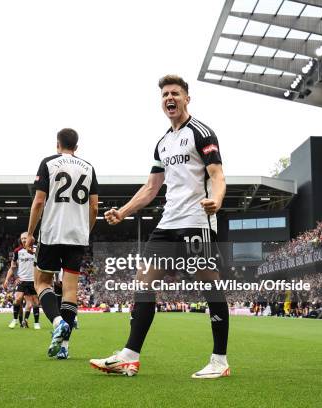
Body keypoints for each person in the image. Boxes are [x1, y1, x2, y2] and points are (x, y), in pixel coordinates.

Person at [89, 74, 229, 378]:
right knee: (143, 283)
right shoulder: (162, 143)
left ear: (187, 98)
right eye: (165, 94)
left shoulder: (202, 133)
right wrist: (124, 211)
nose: (170, 98)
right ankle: (130, 355)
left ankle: (219, 361)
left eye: (175, 93)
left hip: (197, 221)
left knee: (210, 285)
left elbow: (217, 174)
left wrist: (216, 199)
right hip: (168, 223)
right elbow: (152, 187)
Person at [26, 128, 99, 359]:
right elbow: (94, 207)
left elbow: (39, 201)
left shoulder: (48, 163)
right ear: (76, 147)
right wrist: (84, 231)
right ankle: (64, 348)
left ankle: (57, 322)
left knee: (41, 282)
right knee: (70, 291)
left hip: (52, 232)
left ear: (57, 144)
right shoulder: (89, 168)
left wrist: (30, 233)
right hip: (76, 236)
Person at [3, 232, 40, 330]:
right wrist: (10, 278)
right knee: (18, 299)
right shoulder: (17, 251)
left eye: (25, 238)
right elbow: (13, 266)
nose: (24, 240)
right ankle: (15, 320)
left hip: (34, 280)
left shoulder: (37, 249)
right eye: (22, 238)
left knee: (35, 302)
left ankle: (36, 323)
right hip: (22, 280)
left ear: (31, 238)